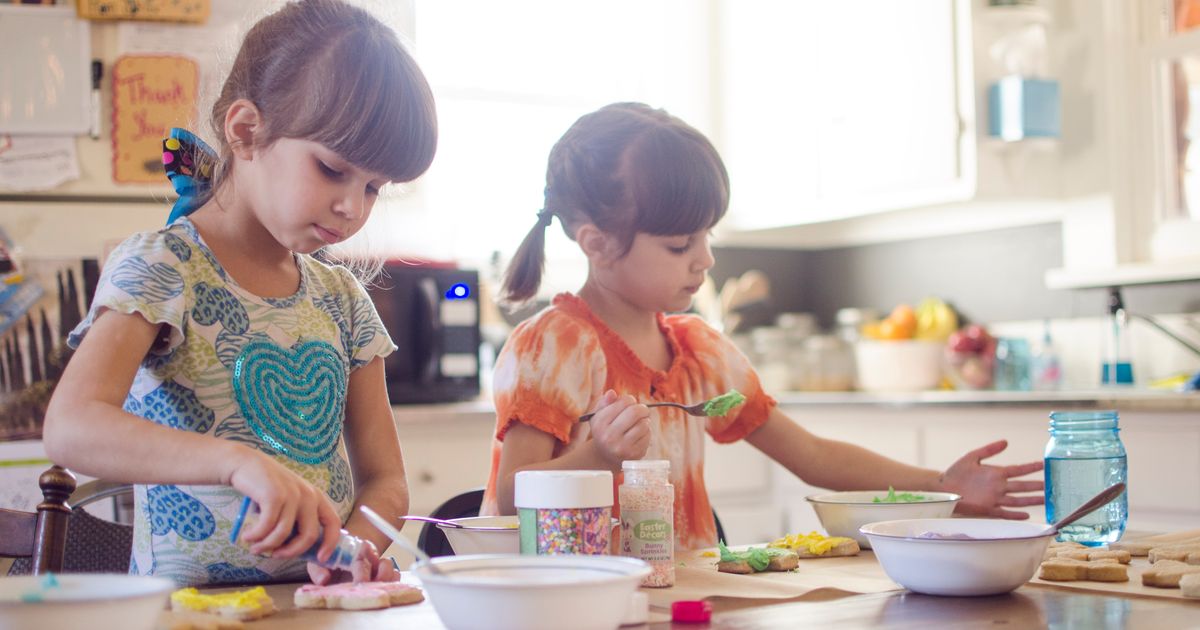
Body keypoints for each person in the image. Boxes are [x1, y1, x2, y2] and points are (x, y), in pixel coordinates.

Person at [483, 102, 1043, 549]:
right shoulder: (552, 346)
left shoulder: (698, 352)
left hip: (682, 600)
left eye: (708, 237)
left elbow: (813, 455)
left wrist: (939, 488)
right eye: (680, 245)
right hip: (574, 607)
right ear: (597, 244)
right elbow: (511, 500)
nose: (704, 260)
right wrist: (599, 457)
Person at [43, 0, 437, 586]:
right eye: (332, 169)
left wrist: (353, 547)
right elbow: (72, 426)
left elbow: (387, 480)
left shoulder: (343, 299)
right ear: (247, 130)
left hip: (310, 610)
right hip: (182, 615)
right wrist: (236, 464)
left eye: (375, 187)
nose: (352, 207)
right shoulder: (165, 267)